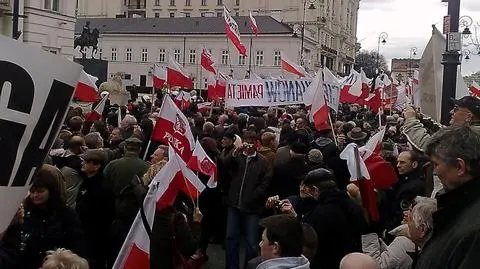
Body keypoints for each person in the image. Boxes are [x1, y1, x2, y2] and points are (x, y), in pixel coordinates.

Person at [272, 168, 366, 269]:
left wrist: (295, 218)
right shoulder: (352, 205)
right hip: (353, 262)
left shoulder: (321, 213)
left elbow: (308, 237)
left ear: (316, 190)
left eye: (308, 189)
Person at [415, 126, 480, 268]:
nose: (434, 171)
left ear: (459, 167)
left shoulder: (473, 233)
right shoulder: (457, 209)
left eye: (436, 164)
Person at [0, 165, 86, 269]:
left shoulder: (66, 214)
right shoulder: (26, 212)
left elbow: (77, 243)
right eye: (32, 191)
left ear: (50, 191)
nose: (35, 195)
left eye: (40, 191)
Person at [225, 130, 272, 269]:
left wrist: (252, 198)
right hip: (234, 205)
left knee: (252, 244)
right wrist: (235, 151)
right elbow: (224, 164)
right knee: (230, 239)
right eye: (247, 141)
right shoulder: (237, 157)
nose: (249, 145)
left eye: (252, 142)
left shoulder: (263, 162)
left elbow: (265, 184)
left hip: (252, 208)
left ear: (256, 143)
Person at [103, 137, 149, 267]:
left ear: (125, 148)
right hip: (136, 214)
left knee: (113, 249)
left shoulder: (112, 165)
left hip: (113, 211)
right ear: (140, 149)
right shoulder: (147, 166)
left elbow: (104, 186)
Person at [362, 197, 437, 269]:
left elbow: (374, 266)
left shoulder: (405, 245)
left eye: (411, 219)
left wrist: (369, 233)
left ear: (422, 229)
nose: (405, 213)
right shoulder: (436, 249)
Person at [75, 150, 114, 269]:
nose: (82, 164)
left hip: (93, 239)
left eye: (86, 162)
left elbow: (105, 215)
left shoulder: (102, 188)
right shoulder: (87, 181)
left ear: (96, 166)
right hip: (82, 232)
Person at [402, 96, 480, 150]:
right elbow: (443, 131)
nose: (451, 112)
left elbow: (428, 147)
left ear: (468, 117)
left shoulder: (468, 136)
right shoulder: (469, 132)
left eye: (456, 109)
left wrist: (410, 120)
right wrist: (421, 118)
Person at [385, 150, 425, 229]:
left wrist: (389, 231)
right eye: (398, 162)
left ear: (414, 164)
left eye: (402, 162)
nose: (398, 165)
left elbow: (402, 213)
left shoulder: (414, 186)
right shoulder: (402, 180)